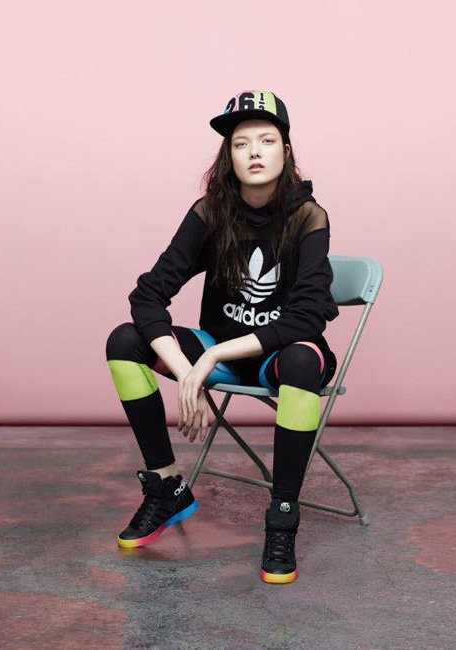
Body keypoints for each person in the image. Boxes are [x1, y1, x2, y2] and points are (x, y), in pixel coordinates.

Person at [105, 89, 339, 584]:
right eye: (241, 143)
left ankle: (282, 516)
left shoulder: (308, 217)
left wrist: (211, 359)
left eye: (266, 141)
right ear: (227, 155)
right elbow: (148, 295)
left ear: (286, 151)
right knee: (124, 341)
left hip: (278, 354)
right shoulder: (210, 214)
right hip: (219, 346)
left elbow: (305, 320)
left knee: (301, 360)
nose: (254, 152)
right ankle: (166, 486)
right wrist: (187, 368)